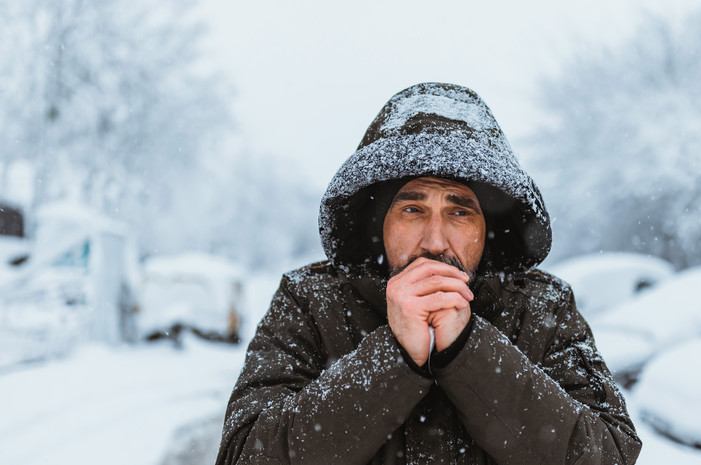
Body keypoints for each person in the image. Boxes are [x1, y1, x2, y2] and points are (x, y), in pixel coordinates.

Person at [216, 83, 642, 464]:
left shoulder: (542, 309)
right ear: (378, 224)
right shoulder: (311, 302)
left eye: (460, 211)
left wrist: (469, 351)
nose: (435, 241)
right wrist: (394, 356)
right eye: (412, 209)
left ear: (487, 231)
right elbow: (245, 456)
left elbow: (608, 454)